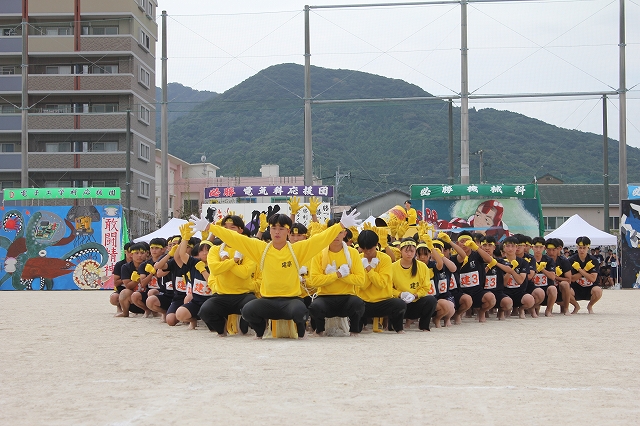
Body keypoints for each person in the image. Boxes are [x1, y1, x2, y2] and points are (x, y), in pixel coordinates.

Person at [190, 209, 363, 339]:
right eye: (274, 228)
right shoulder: (260, 249)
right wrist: (210, 227)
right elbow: (236, 238)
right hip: (268, 300)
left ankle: (300, 333)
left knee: (301, 312)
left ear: (288, 231)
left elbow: (321, 239)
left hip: (291, 300)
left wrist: (340, 226)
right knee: (248, 310)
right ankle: (259, 333)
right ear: (270, 230)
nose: (277, 232)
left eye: (281, 228)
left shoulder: (298, 250)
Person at [198, 215, 257, 336]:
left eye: (232, 227)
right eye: (225, 228)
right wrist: (233, 261)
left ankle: (248, 326)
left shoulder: (248, 250)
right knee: (205, 311)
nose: (228, 230)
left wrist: (225, 263)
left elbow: (245, 273)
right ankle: (222, 329)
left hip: (243, 295)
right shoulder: (215, 250)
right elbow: (215, 269)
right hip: (221, 295)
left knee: (254, 308)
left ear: (240, 230)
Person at [309, 219, 366, 336]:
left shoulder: (353, 253)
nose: (336, 236)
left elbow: (360, 280)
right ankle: (319, 330)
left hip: (346, 297)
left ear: (344, 234)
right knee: (315, 307)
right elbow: (314, 281)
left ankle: (354, 330)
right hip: (325, 297)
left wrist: (340, 275)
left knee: (358, 304)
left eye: (339, 232)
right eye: (333, 232)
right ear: (327, 233)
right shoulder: (319, 253)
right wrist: (337, 274)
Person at [356, 230, 407, 333]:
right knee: (354, 303)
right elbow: (362, 285)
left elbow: (381, 284)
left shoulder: (385, 259)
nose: (367, 252)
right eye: (364, 249)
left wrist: (369, 269)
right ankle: (357, 328)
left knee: (399, 304)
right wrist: (370, 268)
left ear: (376, 244)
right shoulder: (357, 259)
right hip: (364, 302)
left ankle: (397, 328)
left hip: (383, 301)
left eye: (370, 248)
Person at [391, 238, 438, 331]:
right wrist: (400, 294)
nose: (409, 254)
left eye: (412, 251)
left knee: (431, 300)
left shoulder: (422, 266)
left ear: (415, 252)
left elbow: (426, 287)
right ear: (401, 251)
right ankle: (396, 326)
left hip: (416, 302)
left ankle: (424, 326)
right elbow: (388, 287)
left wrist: (415, 295)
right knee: (395, 302)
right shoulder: (393, 267)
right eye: (406, 251)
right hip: (400, 302)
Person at [451, 232, 495, 323]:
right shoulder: (455, 258)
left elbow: (489, 260)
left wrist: (476, 247)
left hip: (477, 291)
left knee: (490, 298)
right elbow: (462, 256)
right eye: (462, 241)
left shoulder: (477, 255)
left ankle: (481, 312)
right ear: (458, 243)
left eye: (467, 241)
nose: (464, 244)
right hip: (462, 292)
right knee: (467, 299)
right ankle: (458, 314)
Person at [174, 225, 212, 329]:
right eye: (201, 250)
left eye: (207, 250)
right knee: (180, 314)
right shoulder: (194, 262)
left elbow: (211, 283)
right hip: (196, 301)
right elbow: (182, 255)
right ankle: (193, 320)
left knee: (213, 328)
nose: (204, 253)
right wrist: (185, 238)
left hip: (211, 301)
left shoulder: (216, 264)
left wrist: (203, 270)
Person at [497, 236, 534, 319]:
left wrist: (512, 271)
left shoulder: (523, 262)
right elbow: (504, 283)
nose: (510, 249)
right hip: (504, 292)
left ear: (517, 247)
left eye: (513, 246)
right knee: (506, 302)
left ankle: (521, 309)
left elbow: (520, 281)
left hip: (519, 292)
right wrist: (509, 270)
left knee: (530, 300)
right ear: (504, 247)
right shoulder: (500, 262)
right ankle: (502, 310)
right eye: (508, 246)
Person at [568, 236, 603, 314]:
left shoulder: (593, 260)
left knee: (598, 291)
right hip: (576, 287)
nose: (582, 250)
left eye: (584, 248)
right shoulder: (571, 260)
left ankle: (590, 306)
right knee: (566, 290)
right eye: (580, 248)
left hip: (590, 287)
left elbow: (593, 279)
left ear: (588, 248)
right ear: (577, 247)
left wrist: (580, 269)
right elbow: (572, 279)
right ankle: (576, 306)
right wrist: (585, 270)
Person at [480, 236, 512, 320]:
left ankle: (500, 311)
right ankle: (482, 311)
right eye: (484, 245)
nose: (487, 248)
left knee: (508, 302)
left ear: (494, 247)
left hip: (497, 292)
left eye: (490, 245)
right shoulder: (477, 262)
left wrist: (495, 263)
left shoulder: (499, 261)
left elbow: (509, 270)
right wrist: (488, 267)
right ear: (480, 247)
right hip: (481, 293)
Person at [530, 236, 557, 317]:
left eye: (541, 247)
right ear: (532, 247)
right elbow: (528, 277)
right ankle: (534, 308)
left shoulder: (549, 260)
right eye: (536, 247)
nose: (538, 250)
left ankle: (548, 310)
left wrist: (542, 269)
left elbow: (552, 277)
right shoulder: (528, 259)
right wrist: (535, 270)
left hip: (546, 287)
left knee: (553, 289)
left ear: (544, 248)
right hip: (533, 289)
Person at [545, 238, 572, 315]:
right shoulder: (543, 260)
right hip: (546, 287)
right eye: (549, 250)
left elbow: (569, 280)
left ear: (558, 249)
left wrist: (554, 277)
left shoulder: (564, 261)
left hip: (559, 287)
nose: (551, 252)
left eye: (553, 250)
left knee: (565, 284)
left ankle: (566, 308)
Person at [109, 242, 131, 315]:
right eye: (129, 252)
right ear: (125, 252)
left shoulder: (139, 263)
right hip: (122, 288)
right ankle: (119, 307)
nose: (131, 254)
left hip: (135, 288)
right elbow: (116, 282)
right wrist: (126, 278)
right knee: (114, 298)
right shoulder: (120, 264)